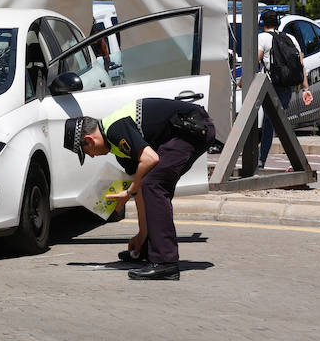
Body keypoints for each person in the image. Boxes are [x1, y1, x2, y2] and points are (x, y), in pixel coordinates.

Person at [76, 98, 216, 280]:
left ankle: (166, 262)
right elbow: (140, 190)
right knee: (151, 185)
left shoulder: (115, 129)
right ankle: (151, 247)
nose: (92, 156)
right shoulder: (118, 150)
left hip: (193, 128)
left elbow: (151, 160)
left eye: (87, 152)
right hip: (187, 131)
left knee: (154, 184)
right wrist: (142, 234)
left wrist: (128, 192)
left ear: (89, 140)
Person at [256, 10, 312, 169]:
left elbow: (256, 60)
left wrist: (241, 81)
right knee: (274, 122)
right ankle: (266, 160)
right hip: (287, 86)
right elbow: (301, 65)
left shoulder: (262, 37)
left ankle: (261, 162)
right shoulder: (290, 38)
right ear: (278, 23)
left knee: (270, 122)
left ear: (262, 23)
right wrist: (305, 89)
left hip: (270, 86)